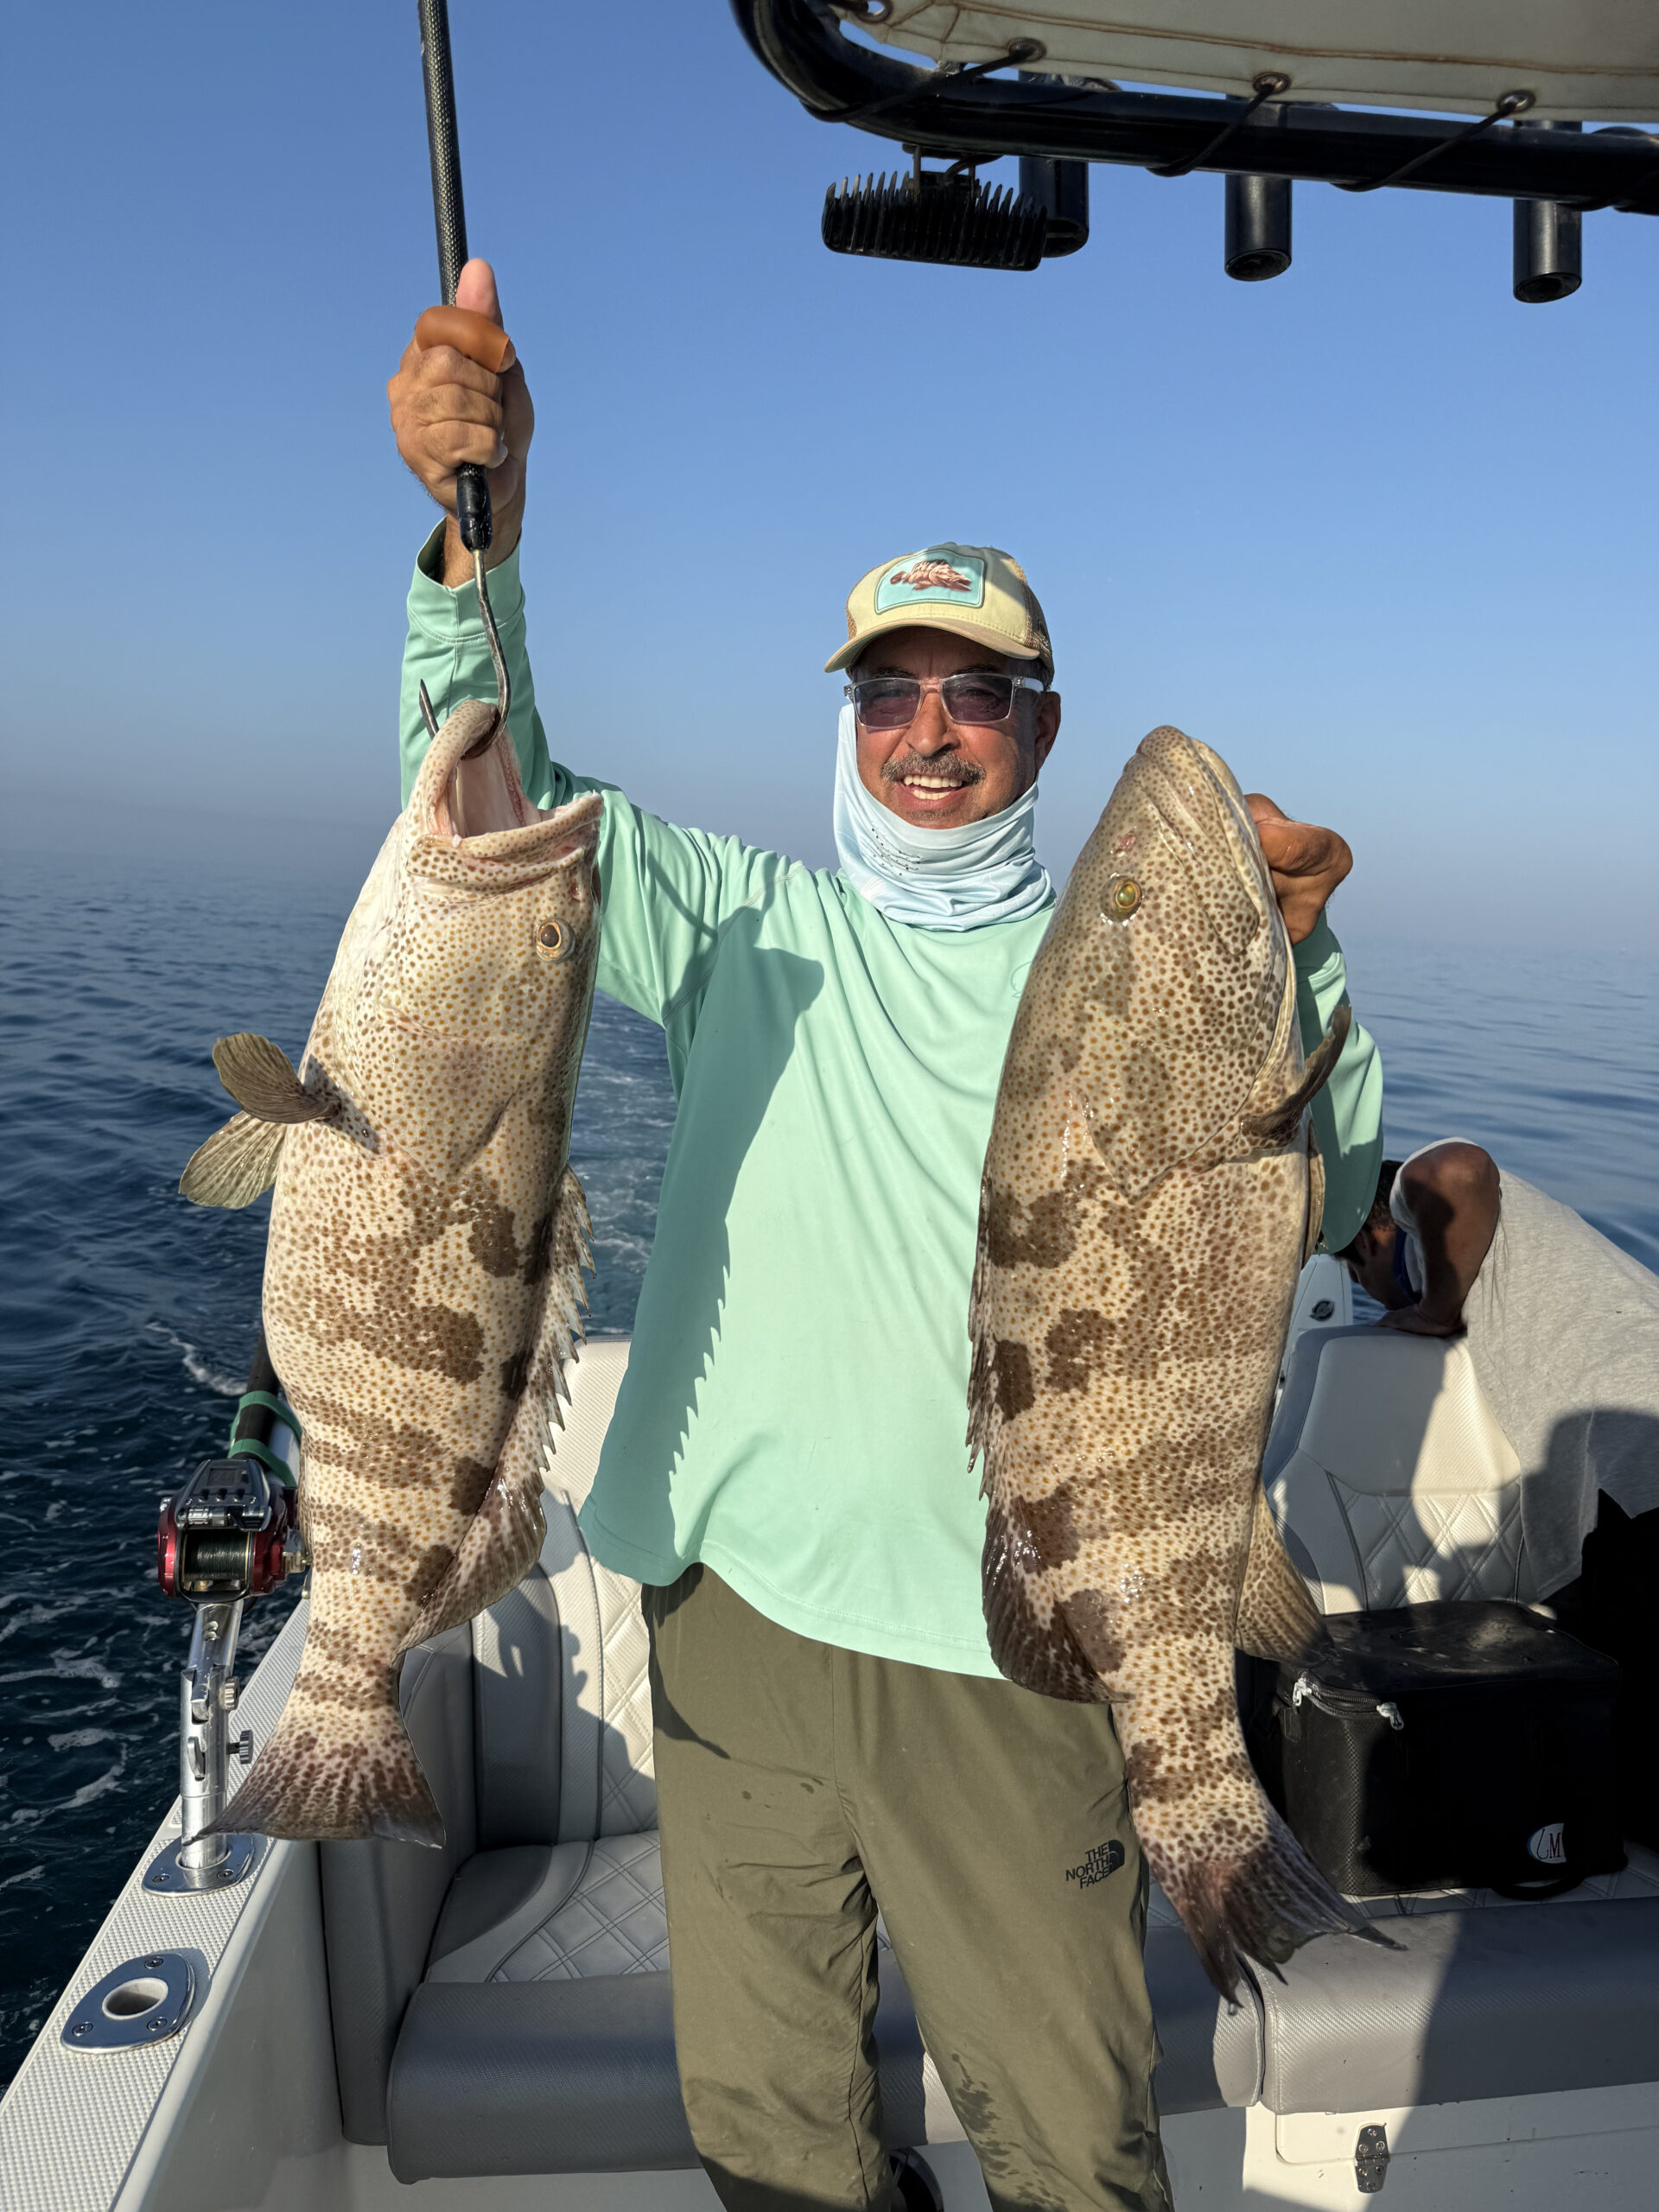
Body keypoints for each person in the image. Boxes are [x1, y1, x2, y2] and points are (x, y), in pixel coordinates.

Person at [388, 259, 1384, 2212]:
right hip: (734, 1616)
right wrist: (469, 548)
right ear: (850, 717)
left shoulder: (1129, 968)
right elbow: (489, 806)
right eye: (889, 691)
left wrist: (1304, 960)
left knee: (1071, 2141)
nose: (930, 732)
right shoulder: (736, 921)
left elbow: (1323, 1194)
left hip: (1014, 1640)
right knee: (766, 2120)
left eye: (976, 693)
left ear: (1041, 724)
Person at [1338, 1141, 1659, 1835]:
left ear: (1371, 1238)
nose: (1372, 1296)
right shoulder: (1532, 1245)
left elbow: (1455, 1167)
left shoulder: (1418, 1204)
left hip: (1637, 1445)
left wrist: (1435, 1311)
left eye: (1358, 1276)